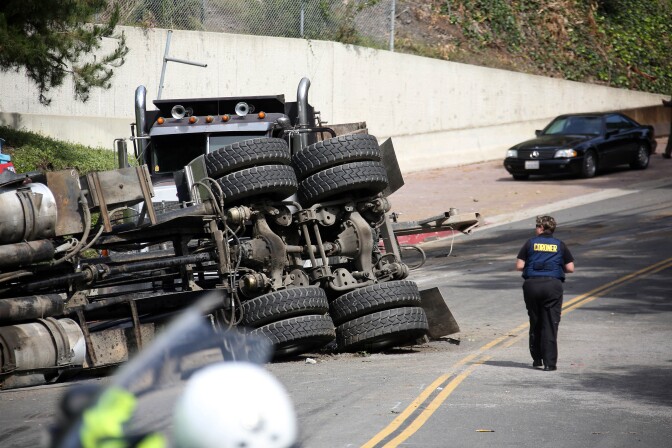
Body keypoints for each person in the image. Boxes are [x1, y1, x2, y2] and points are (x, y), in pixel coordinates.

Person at [516, 215, 575, 371]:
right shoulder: (560, 245)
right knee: (550, 323)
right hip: (552, 286)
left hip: (532, 286)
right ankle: (550, 363)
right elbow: (570, 268)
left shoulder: (530, 243)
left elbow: (519, 265)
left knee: (535, 321)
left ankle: (537, 359)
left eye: (536, 226)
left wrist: (534, 265)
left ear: (541, 228)